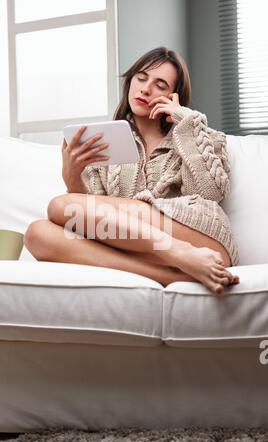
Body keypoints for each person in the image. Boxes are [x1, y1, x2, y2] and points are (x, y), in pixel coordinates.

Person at [24, 47, 240, 295]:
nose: (146, 89)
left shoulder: (199, 134)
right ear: (130, 81)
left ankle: (179, 252)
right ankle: (170, 275)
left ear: (174, 96)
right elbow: (89, 223)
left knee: (59, 206)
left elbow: (210, 194)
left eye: (160, 84)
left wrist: (186, 122)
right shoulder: (103, 144)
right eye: (141, 77)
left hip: (202, 242)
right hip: (145, 254)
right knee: (37, 234)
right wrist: (72, 176)